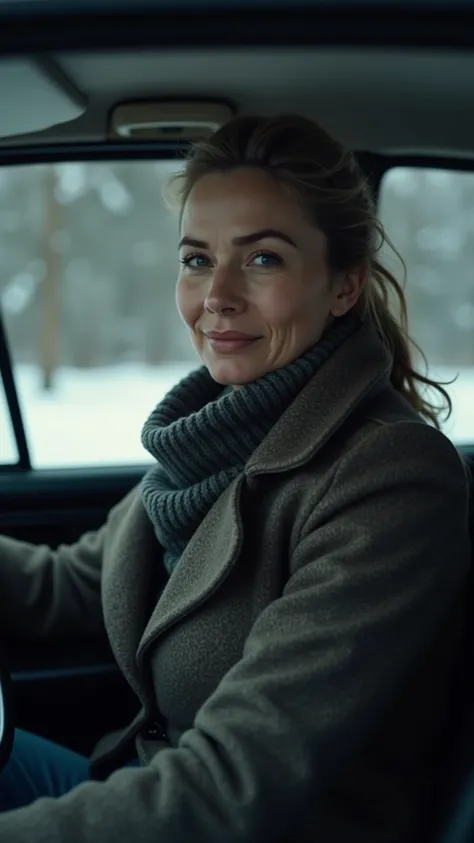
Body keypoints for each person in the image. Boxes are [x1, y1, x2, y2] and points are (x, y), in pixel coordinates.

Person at [0, 113, 470, 843]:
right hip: (143, 790)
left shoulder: (393, 474)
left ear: (343, 285)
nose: (216, 293)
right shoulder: (217, 429)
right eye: (196, 259)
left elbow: (240, 781)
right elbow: (66, 585)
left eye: (263, 260)